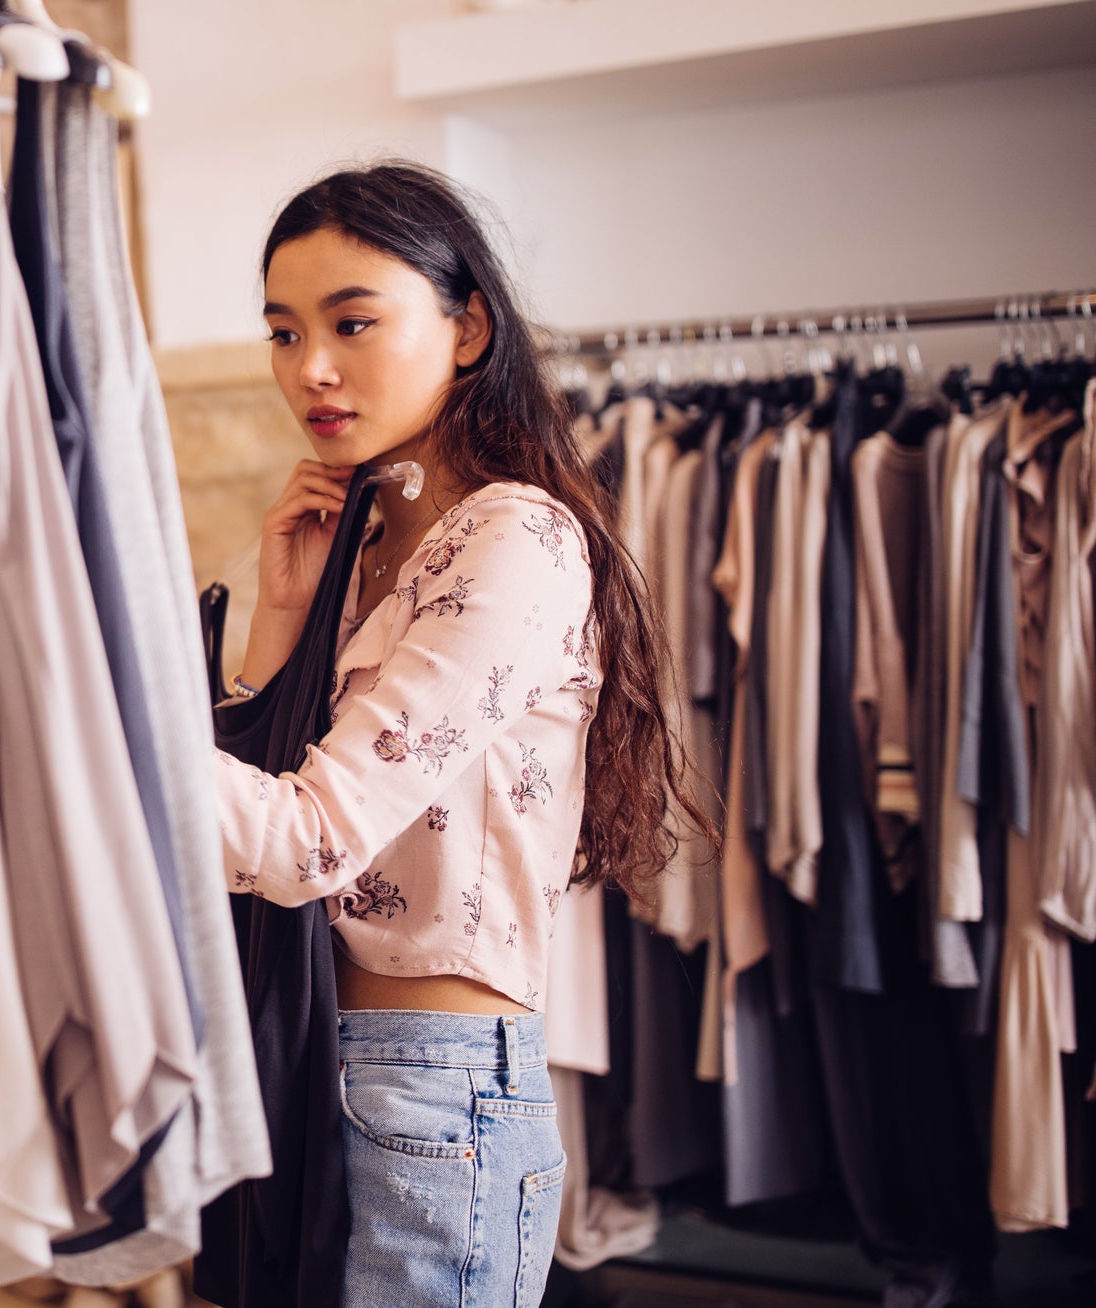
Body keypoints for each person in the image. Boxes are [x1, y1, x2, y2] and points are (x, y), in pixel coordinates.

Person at [213, 163, 712, 1304]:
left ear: (468, 326)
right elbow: (259, 834)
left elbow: (302, 842)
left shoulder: (515, 540)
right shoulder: (371, 536)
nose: (311, 370)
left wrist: (95, 734)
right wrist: (283, 614)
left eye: (351, 322)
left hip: (429, 1092)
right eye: (283, 333)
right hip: (316, 1061)